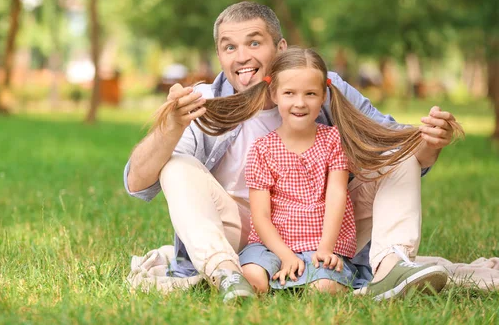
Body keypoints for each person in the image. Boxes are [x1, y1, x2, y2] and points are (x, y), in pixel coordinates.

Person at [124, 1, 461, 302]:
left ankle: (391, 269)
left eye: (254, 42)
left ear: (281, 47)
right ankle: (226, 273)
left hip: (327, 227)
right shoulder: (204, 102)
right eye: (229, 47)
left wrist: (430, 143)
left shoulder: (325, 88)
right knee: (176, 165)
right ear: (220, 55)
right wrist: (170, 129)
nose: (241, 56)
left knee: (399, 156)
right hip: (244, 234)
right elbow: (138, 183)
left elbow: (396, 146)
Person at [185, 46, 463, 296]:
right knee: (252, 278)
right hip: (273, 244)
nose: (300, 103)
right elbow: (261, 215)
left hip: (322, 241)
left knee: (326, 289)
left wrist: (326, 248)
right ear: (274, 94)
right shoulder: (262, 148)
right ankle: (278, 275)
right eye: (289, 93)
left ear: (323, 96)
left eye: (310, 94)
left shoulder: (332, 141)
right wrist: (284, 255)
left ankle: (383, 268)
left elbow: (336, 198)